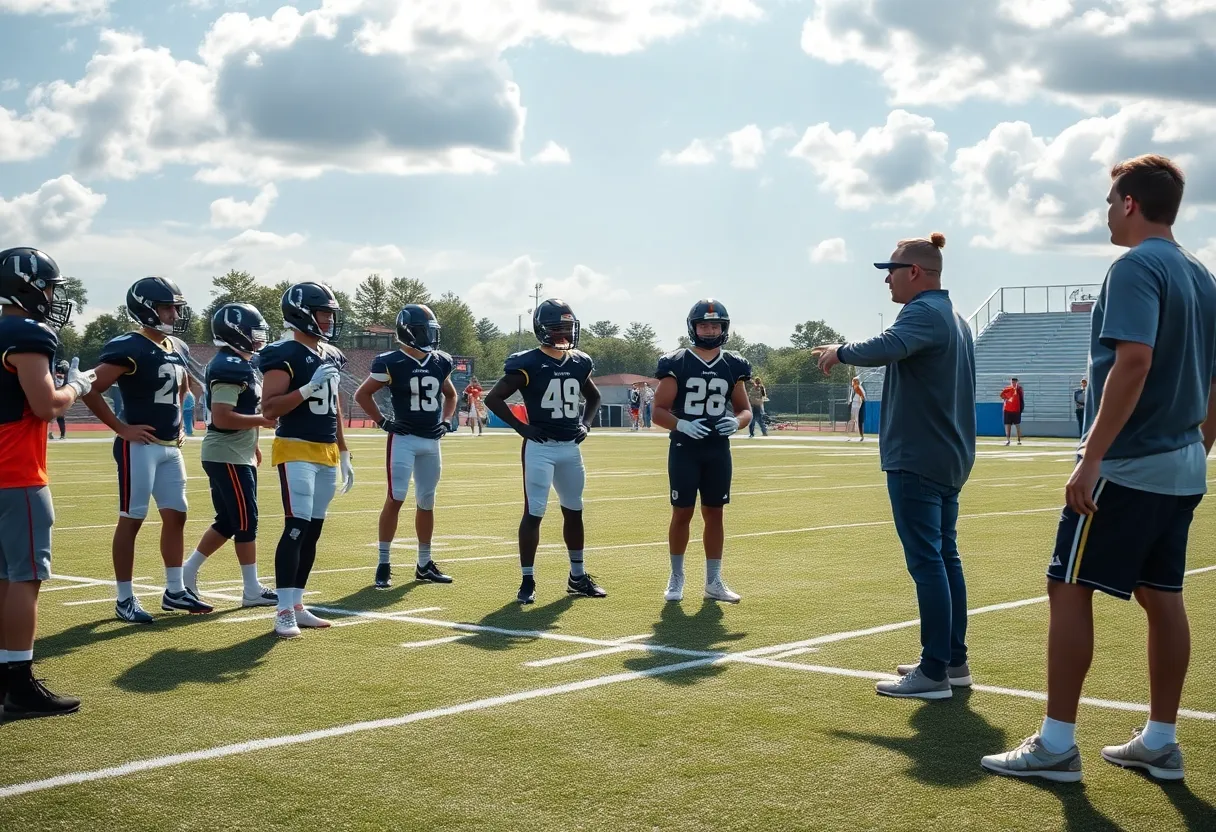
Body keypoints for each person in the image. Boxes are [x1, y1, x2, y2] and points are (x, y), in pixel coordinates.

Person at [982, 154, 1216, 783]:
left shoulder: (1136, 266)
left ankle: (1057, 744)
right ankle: (1161, 741)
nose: (1107, 212)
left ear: (1131, 203)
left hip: (1130, 464)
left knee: (1068, 586)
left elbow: (1133, 363)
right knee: (1162, 594)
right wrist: (1201, 447)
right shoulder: (1201, 274)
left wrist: (1090, 458)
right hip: (1182, 463)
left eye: (1111, 201)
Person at [813, 232, 976, 699]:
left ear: (916, 273)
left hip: (919, 454)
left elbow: (887, 346)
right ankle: (951, 659)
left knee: (928, 562)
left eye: (891, 271)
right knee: (946, 557)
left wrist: (838, 352)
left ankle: (933, 671)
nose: (887, 280)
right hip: (949, 453)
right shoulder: (956, 317)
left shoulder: (923, 312)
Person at [82, 277, 212, 622]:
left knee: (177, 514)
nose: (174, 312)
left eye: (174, 306)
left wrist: (183, 424)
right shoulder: (129, 346)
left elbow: (182, 384)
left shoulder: (177, 346)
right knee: (132, 518)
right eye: (167, 306)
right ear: (146, 308)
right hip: (137, 446)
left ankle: (174, 591)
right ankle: (124, 598)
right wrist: (120, 427)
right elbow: (89, 387)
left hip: (170, 446)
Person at [0, 247, 92, 718]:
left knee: (4, 576)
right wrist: (79, 385)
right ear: (29, 285)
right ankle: (18, 683)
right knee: (26, 577)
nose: (54, 296)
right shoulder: (27, 332)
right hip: (17, 471)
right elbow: (45, 404)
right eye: (49, 286)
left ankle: (5, 678)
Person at [485, 299, 605, 604]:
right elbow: (494, 398)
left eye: (568, 326)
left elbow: (594, 397)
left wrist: (586, 425)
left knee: (574, 509)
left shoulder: (579, 361)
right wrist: (522, 428)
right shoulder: (527, 362)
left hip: (569, 448)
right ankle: (527, 580)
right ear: (543, 329)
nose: (564, 332)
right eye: (558, 327)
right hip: (540, 448)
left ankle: (577, 577)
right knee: (535, 512)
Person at [259, 282, 355, 638]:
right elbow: (268, 409)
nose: (329, 320)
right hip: (295, 447)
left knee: (312, 530)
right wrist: (306, 388)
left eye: (331, 313)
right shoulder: (282, 352)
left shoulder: (332, 354)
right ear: (302, 313)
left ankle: (297, 602)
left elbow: (334, 407)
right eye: (323, 313)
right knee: (296, 527)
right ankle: (282, 610)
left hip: (326, 449)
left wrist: (343, 449)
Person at [652, 299, 753, 603]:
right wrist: (681, 425)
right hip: (685, 447)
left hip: (717, 449)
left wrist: (736, 423)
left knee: (715, 512)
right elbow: (657, 411)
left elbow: (745, 410)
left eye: (715, 325)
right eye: (704, 325)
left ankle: (713, 581)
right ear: (693, 327)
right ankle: (677, 577)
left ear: (724, 328)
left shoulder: (733, 364)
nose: (710, 330)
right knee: (682, 512)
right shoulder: (677, 361)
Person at [354, 304, 458, 590]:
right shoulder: (390, 361)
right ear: (409, 332)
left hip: (431, 440)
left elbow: (450, 395)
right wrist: (383, 422)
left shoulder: (440, 361)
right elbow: (363, 394)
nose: (430, 336)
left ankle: (424, 564)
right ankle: (384, 562)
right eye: (425, 331)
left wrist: (447, 421)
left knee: (427, 500)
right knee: (396, 497)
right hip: (403, 439)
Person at [181, 303, 278, 607]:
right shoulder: (229, 365)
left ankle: (187, 571)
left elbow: (238, 411)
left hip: (234, 451)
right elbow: (223, 417)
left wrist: (255, 441)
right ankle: (251, 589)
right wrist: (262, 422)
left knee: (227, 521)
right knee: (246, 521)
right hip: (227, 453)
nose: (259, 337)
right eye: (253, 332)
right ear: (236, 333)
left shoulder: (237, 362)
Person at [1001, 377, 1024, 445]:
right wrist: (1006, 398)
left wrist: (1021, 409)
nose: (1013, 383)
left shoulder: (1019, 389)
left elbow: (1021, 398)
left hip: (1016, 410)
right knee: (1007, 425)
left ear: (1017, 382)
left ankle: (1019, 440)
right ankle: (1008, 440)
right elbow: (1002, 395)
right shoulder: (1007, 389)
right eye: (1012, 382)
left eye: (1015, 382)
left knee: (1017, 425)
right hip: (1007, 410)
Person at [50, 360, 69, 441]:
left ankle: (61, 434)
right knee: (57, 417)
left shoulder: (62, 376)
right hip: (57, 396)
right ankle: (55, 433)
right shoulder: (57, 375)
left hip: (57, 396)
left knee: (59, 417)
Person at [847, 377, 866, 441]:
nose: (853, 382)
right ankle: (851, 435)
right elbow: (851, 397)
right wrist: (850, 403)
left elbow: (863, 397)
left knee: (858, 420)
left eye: (854, 381)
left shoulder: (859, 388)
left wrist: (861, 401)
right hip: (853, 405)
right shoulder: (853, 388)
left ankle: (860, 436)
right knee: (853, 420)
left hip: (858, 405)